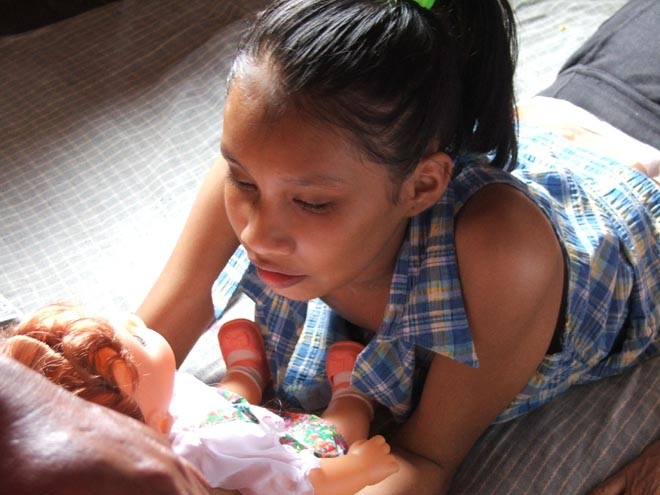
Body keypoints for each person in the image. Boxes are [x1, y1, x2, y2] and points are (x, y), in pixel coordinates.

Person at [2, 1, 657, 494]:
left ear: (422, 185)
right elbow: (134, 357)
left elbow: (426, 459)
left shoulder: (499, 255)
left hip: (633, 157)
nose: (257, 231)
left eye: (312, 203)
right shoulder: (264, 176)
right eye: (242, 179)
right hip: (566, 114)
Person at [0, 303, 398, 495]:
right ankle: (354, 399)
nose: (135, 321)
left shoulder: (155, 409)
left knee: (220, 395)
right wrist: (360, 469)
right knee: (331, 435)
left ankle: (246, 375)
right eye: (136, 338)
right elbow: (303, 483)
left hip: (209, 412)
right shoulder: (214, 451)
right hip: (278, 446)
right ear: (153, 430)